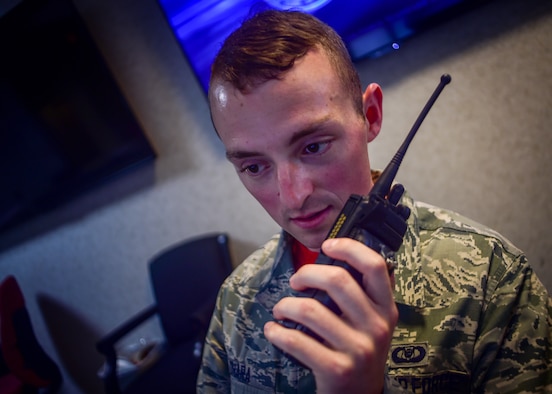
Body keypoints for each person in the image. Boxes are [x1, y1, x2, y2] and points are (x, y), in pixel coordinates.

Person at [196, 9, 551, 393]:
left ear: (370, 115)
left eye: (313, 146)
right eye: (254, 167)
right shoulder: (236, 299)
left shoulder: (492, 280)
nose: (294, 197)